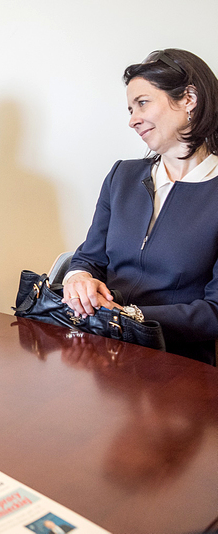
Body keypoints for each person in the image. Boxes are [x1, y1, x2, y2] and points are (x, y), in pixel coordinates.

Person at [63, 49, 218, 366]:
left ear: (189, 99)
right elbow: (88, 258)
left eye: (142, 103)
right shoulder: (122, 176)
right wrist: (78, 278)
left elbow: (214, 311)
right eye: (130, 109)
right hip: (97, 348)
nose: (133, 120)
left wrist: (130, 316)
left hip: (175, 361)